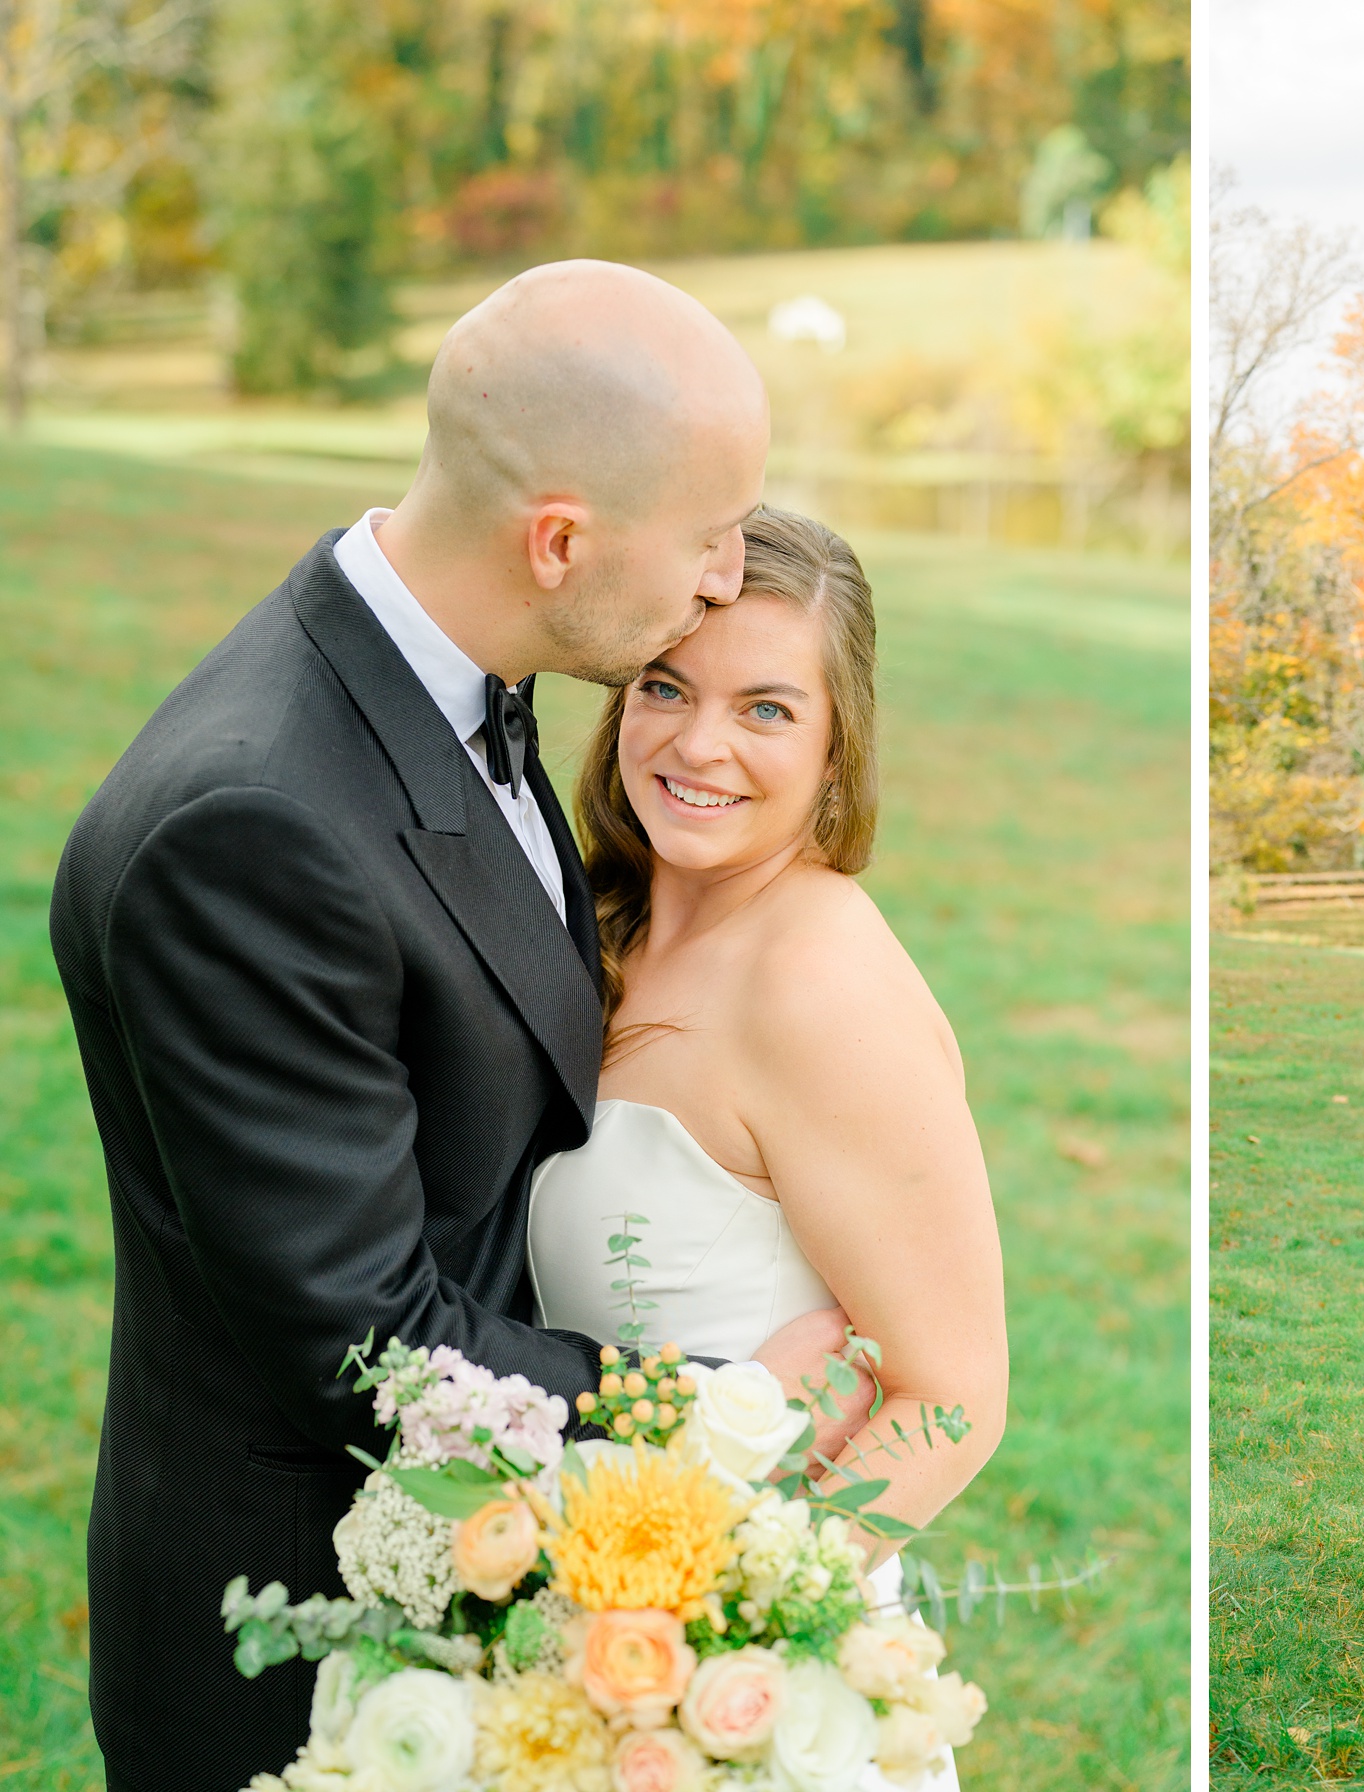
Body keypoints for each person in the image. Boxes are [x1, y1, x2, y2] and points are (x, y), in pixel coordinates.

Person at [49, 260, 831, 1791]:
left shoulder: (446, 677)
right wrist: (700, 1398)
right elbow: (371, 1344)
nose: (731, 576)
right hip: (310, 1641)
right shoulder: (255, 829)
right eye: (707, 535)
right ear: (559, 541)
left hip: (476, 1562)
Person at [526, 510, 1006, 1792]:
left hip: (741, 1695)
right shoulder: (597, 928)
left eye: (767, 709)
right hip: (575, 1614)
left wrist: (713, 1630)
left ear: (838, 741)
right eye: (665, 687)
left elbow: (952, 1395)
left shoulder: (821, 982)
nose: (699, 744)